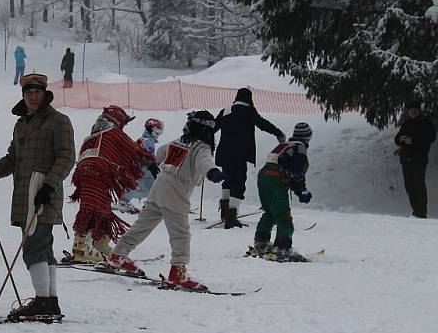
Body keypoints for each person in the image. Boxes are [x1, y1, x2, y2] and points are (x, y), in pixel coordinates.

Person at [0, 73, 75, 318]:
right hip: (24, 196)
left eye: (37, 92)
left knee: (35, 247)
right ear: (23, 95)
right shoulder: (21, 125)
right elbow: (12, 160)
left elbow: (67, 157)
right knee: (43, 248)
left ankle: (43, 302)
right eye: (29, 93)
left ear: (45, 94)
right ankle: (50, 302)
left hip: (43, 194)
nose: (33, 97)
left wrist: (48, 186)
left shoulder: (59, 121)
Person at [105, 111, 224, 290]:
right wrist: (212, 171)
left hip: (158, 189)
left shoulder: (177, 141)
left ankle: (118, 255)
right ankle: (178, 272)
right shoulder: (201, 147)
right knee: (180, 234)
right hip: (175, 193)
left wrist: (153, 166)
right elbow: (204, 162)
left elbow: (159, 154)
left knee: (142, 226)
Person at [65, 106, 155, 264]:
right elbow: (133, 151)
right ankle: (81, 247)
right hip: (99, 172)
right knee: (95, 209)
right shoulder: (113, 133)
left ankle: (100, 244)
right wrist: (151, 163)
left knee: (100, 208)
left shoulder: (90, 137)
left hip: (84, 174)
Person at [214, 87, 285, 228]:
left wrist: (203, 139)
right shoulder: (248, 111)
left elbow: (213, 127)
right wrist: (278, 133)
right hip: (239, 153)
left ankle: (225, 211)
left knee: (227, 180)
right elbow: (263, 124)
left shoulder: (225, 111)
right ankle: (232, 215)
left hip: (224, 153)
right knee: (238, 182)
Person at [252, 122, 314, 261]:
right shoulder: (299, 148)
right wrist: (302, 190)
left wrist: (297, 188)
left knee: (270, 212)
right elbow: (297, 172)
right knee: (283, 215)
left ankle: (261, 242)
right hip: (275, 178)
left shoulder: (285, 145)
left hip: (264, 176)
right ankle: (282, 248)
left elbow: (286, 167)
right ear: (308, 137)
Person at [394, 101, 436, 218]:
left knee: (419, 185)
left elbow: (431, 137)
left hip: (419, 159)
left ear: (419, 110)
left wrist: (413, 140)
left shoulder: (425, 123)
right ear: (408, 111)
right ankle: (416, 211)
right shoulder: (406, 124)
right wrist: (401, 139)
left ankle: (421, 212)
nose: (413, 111)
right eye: (411, 109)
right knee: (409, 186)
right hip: (406, 159)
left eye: (415, 109)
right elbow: (397, 139)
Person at [116, 118, 165, 214]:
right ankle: (151, 205)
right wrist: (154, 168)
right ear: (152, 129)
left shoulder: (143, 139)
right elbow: (147, 157)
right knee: (153, 186)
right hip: (143, 169)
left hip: (139, 168)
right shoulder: (149, 142)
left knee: (140, 185)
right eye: (158, 130)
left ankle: (124, 201)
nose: (160, 133)